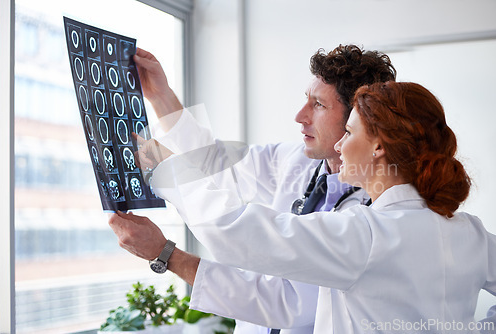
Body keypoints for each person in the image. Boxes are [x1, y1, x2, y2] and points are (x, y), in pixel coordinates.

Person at [111, 81, 496, 333]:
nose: (341, 146)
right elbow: (218, 166)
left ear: (379, 146)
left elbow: (237, 230)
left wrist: (167, 173)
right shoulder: (471, 232)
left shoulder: (366, 236)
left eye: (349, 132)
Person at [120, 45, 395, 333]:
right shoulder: (296, 160)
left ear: (358, 119)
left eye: (319, 105)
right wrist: (159, 94)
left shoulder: (372, 211)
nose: (300, 116)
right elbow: (214, 162)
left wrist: (166, 253)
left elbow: (287, 305)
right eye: (306, 100)